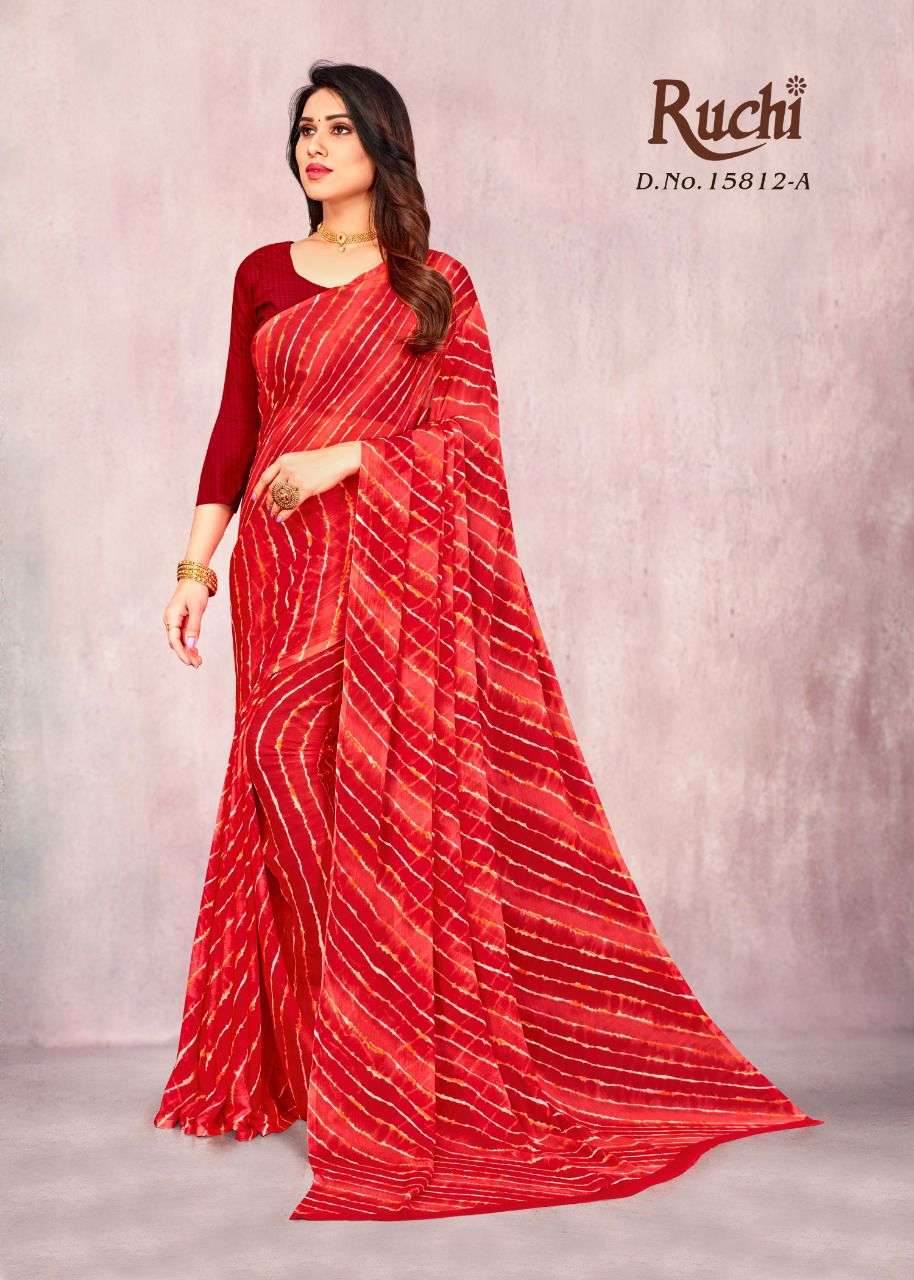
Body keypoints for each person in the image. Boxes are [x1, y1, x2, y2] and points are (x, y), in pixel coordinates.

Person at [154, 61, 822, 1223]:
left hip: (390, 570)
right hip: (283, 570)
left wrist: (348, 457)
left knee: (379, 802)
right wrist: (193, 568)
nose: (315, 145)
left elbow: (468, 440)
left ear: (381, 146)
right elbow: (235, 425)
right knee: (285, 780)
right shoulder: (261, 273)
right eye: (305, 128)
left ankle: (382, 1062)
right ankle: (336, 1048)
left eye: (339, 128)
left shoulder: (435, 283)